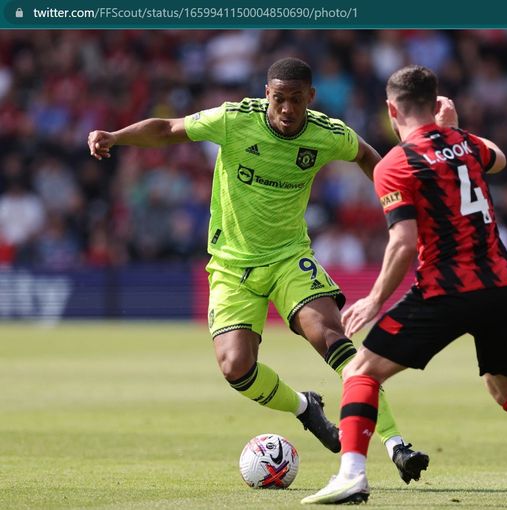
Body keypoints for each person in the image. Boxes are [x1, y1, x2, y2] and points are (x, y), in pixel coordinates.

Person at [87, 57, 429, 482]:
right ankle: (305, 408)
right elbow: (169, 129)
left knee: (332, 338)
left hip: (288, 258)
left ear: (311, 98)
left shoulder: (326, 133)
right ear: (267, 94)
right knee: (236, 369)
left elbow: (367, 156)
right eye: (280, 99)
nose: (287, 110)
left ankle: (396, 444)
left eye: (297, 101)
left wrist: (397, 207)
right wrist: (115, 137)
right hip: (231, 266)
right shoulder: (233, 120)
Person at [302, 65, 507, 506]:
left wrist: (375, 299)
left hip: (447, 291)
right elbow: (500, 156)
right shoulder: (469, 145)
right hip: (503, 289)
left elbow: (402, 242)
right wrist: (450, 130)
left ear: (391, 109)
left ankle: (351, 475)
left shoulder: (395, 163)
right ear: (437, 105)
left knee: (360, 372)